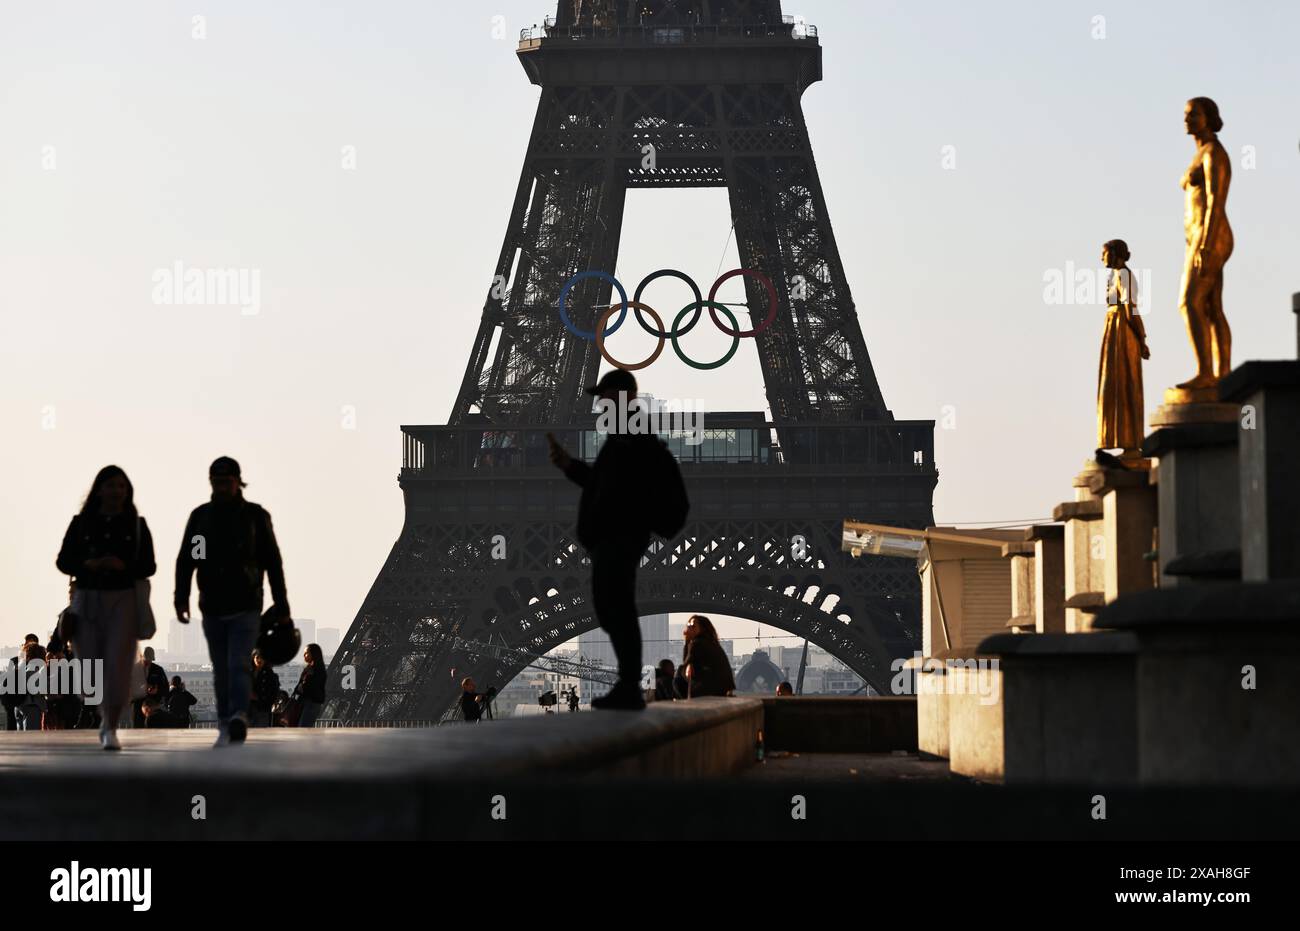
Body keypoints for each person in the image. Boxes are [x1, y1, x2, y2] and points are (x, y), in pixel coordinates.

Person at [547, 368, 688, 710]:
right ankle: (628, 683)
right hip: (618, 533)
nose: (598, 404)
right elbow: (606, 481)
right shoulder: (623, 432)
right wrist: (569, 466)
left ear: (622, 398)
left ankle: (627, 685)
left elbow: (622, 482)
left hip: (621, 533)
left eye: (604, 396)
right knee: (611, 606)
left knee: (616, 606)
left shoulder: (629, 432)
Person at [175, 457, 290, 747]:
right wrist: (181, 597)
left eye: (225, 482)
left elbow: (272, 562)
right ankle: (232, 717)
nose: (221, 487)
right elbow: (187, 560)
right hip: (221, 603)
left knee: (234, 663)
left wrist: (282, 605)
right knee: (226, 666)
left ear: (238, 481)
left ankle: (234, 716)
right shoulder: (250, 517)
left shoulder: (208, 517)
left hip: (240, 604)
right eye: (217, 482)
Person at [56, 465, 156, 750]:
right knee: (90, 663)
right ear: (99, 490)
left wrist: (123, 566)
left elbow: (149, 565)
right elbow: (63, 561)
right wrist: (89, 564)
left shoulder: (137, 525)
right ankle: (103, 712)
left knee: (119, 664)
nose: (116, 491)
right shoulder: (81, 524)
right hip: (87, 599)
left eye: (121, 487)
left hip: (122, 599)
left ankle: (109, 724)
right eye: (111, 486)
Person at [1177, 96, 1233, 389]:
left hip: (1210, 235)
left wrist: (1206, 245)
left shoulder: (1213, 153)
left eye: (1193, 114)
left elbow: (1215, 202)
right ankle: (1221, 375)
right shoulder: (1199, 154)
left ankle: (1206, 373)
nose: (1186, 119)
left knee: (1189, 302)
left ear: (1208, 118)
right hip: (1199, 237)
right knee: (1211, 306)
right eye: (1186, 114)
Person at [1096, 239, 1149, 460]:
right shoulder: (1117, 276)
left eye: (1104, 253)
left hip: (1122, 330)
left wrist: (1141, 337)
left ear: (1115, 254)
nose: (1101, 257)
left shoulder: (1125, 276)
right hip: (1115, 328)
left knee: (1125, 382)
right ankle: (1119, 439)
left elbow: (1130, 309)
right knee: (1115, 383)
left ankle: (1130, 442)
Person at [681, 615, 735, 698]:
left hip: (707, 690)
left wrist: (687, 641)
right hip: (723, 688)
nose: (689, 628)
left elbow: (685, 668)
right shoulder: (712, 643)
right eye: (688, 626)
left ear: (702, 629)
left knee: (678, 677)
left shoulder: (697, 643)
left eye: (693, 626)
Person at [132, 646, 169, 727]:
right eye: (146, 660)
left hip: (153, 709)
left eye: (150, 660)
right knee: (138, 730)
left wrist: (157, 690)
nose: (148, 662)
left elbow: (166, 688)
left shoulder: (158, 670)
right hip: (139, 707)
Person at [291, 643, 327, 727]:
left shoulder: (315, 670)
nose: (304, 655)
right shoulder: (313, 668)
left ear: (314, 654)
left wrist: (302, 687)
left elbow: (311, 687)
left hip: (311, 703)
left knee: (303, 727)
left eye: (306, 653)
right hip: (309, 702)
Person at [250, 649, 280, 727]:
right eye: (257, 657)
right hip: (248, 709)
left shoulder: (269, 674)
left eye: (262, 658)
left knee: (260, 732)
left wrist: (259, 697)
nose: (259, 660)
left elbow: (274, 691)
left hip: (262, 708)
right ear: (253, 658)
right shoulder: (248, 673)